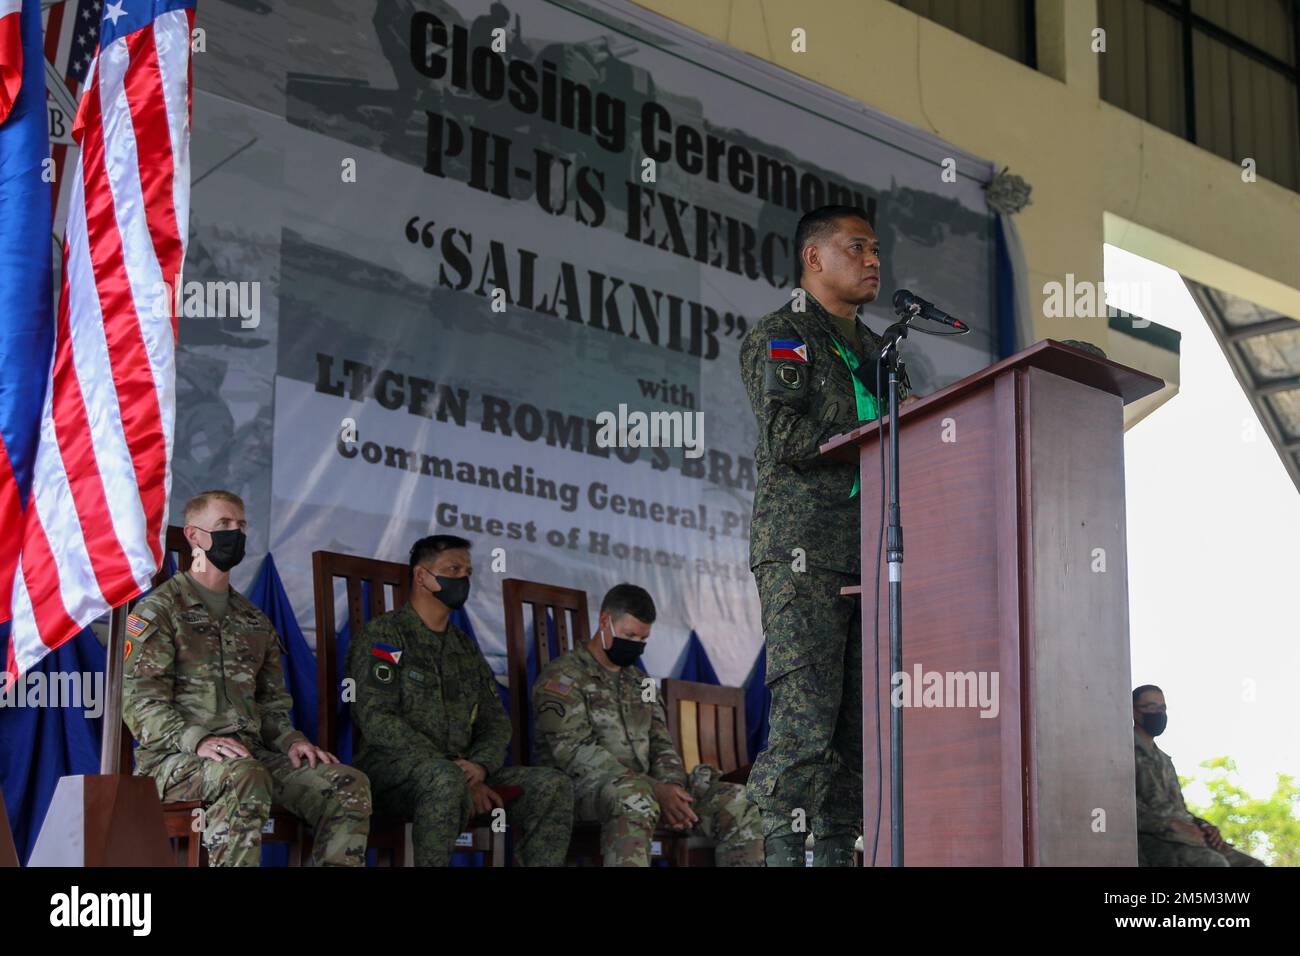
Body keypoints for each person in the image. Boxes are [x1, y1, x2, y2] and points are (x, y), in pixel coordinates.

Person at [739, 205, 917, 866]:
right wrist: (868, 437)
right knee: (805, 724)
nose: (874, 261)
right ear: (814, 258)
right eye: (857, 247)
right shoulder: (786, 335)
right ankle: (784, 854)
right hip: (804, 550)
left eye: (876, 249)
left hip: (873, 554)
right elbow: (783, 436)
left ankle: (841, 855)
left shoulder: (881, 352)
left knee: (860, 733)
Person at [123, 490, 371, 866]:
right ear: (193, 536)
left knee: (346, 783)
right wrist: (198, 739)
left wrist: (292, 740)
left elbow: (271, 705)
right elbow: (140, 703)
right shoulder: (158, 612)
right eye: (223, 525)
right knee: (244, 775)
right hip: (172, 762)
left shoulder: (254, 620)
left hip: (249, 756)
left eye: (240, 526)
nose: (235, 533)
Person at [346, 534, 573, 865]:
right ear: (421, 576)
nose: (463, 578)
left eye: (467, 571)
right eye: (452, 569)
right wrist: (454, 769)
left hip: (463, 772)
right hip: (391, 774)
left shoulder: (464, 647)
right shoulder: (386, 637)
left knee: (552, 785)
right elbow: (377, 718)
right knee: (444, 780)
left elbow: (495, 720)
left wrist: (479, 766)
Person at [532, 584, 762, 866]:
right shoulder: (563, 678)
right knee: (635, 798)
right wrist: (654, 789)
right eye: (629, 635)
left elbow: (663, 745)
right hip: (583, 792)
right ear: (605, 621)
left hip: (649, 790)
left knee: (739, 800)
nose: (636, 645)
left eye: (643, 639)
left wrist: (672, 790)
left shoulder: (642, 684)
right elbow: (574, 753)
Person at [1132, 685, 1264, 867]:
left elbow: (1179, 810)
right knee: (1214, 864)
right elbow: (1123, 810)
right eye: (1151, 707)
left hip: (1189, 839)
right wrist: (1170, 825)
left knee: (1253, 865)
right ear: (1134, 711)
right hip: (1157, 842)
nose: (1158, 713)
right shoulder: (1125, 753)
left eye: (1162, 708)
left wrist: (1203, 826)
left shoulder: (1164, 760)